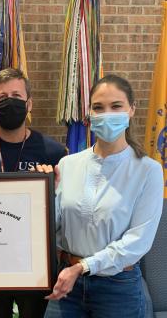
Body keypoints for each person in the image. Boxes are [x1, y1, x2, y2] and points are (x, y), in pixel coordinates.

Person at [44, 75, 164, 318]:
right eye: (98, 107)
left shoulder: (147, 170)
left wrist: (84, 267)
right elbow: (55, 228)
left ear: (131, 109)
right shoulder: (67, 165)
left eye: (116, 106)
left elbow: (138, 242)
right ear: (89, 114)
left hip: (118, 287)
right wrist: (42, 193)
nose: (106, 114)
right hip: (68, 284)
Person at [0, 68, 66, 318]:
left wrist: (55, 186)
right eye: (2, 97)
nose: (10, 101)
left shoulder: (53, 152)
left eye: (16, 95)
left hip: (36, 267)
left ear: (29, 104)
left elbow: (64, 210)